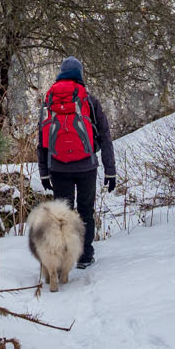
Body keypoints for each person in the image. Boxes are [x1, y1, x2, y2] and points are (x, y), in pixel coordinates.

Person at [37, 55, 115, 269]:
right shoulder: (88, 100)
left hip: (58, 166)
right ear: (80, 74)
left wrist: (44, 172)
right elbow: (105, 136)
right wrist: (111, 171)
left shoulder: (50, 100)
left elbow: (42, 139)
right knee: (85, 210)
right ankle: (85, 255)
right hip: (86, 165)